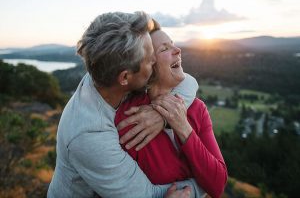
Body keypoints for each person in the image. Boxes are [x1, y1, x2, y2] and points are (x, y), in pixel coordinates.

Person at [47, 11, 204, 198]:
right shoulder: (89, 135)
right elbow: (147, 195)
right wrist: (203, 184)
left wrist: (161, 115)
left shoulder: (106, 68)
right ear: (125, 77)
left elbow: (187, 81)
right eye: (149, 58)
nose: (154, 61)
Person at [115, 23, 228, 198]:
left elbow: (218, 184)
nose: (177, 50)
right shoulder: (131, 118)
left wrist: (183, 127)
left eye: (173, 43)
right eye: (164, 49)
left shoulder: (197, 109)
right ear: (147, 67)